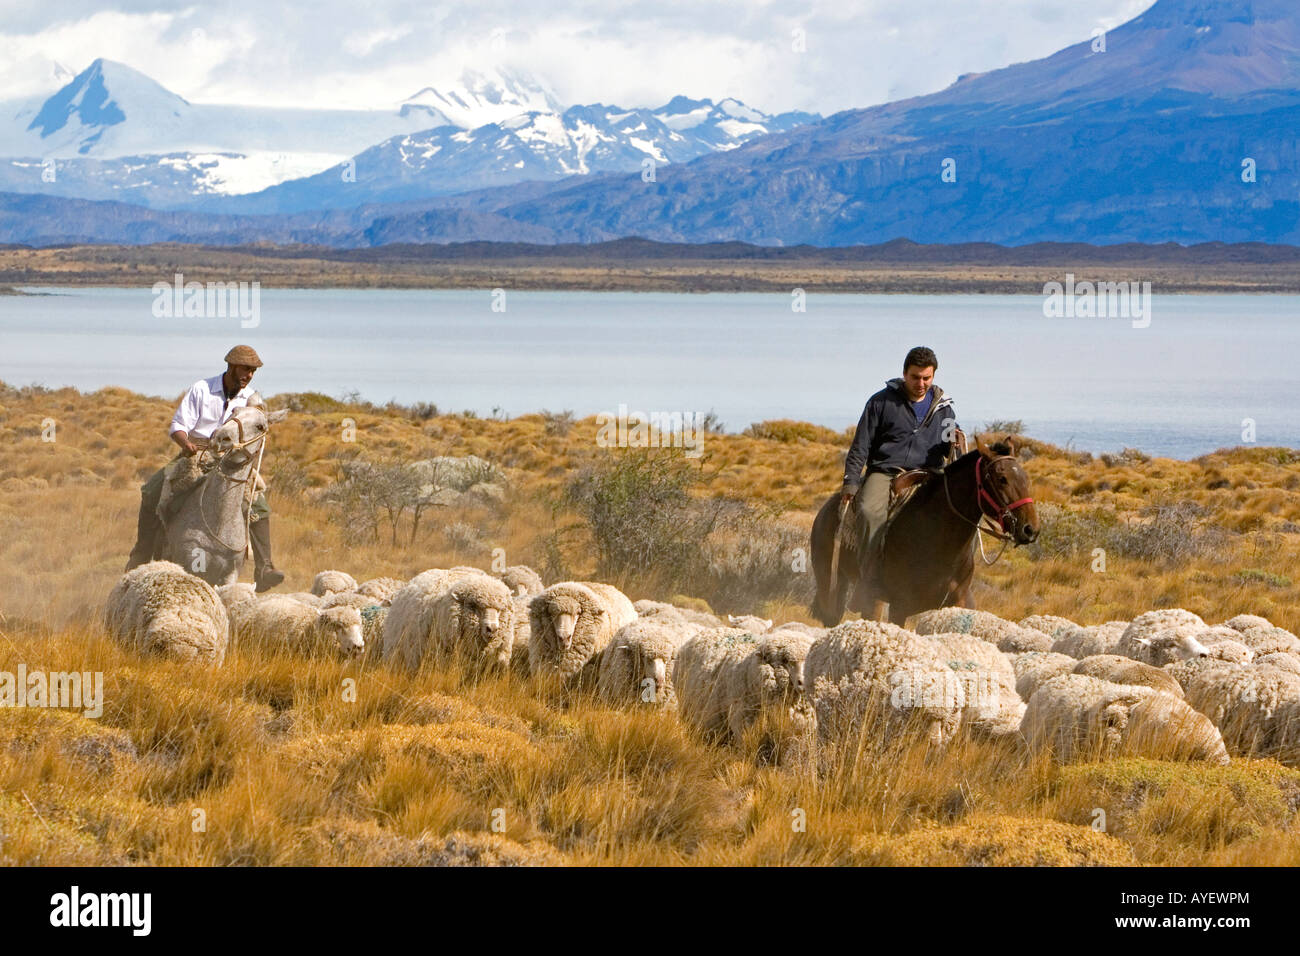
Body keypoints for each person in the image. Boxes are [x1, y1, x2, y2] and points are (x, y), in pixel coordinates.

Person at [125, 345, 285, 592]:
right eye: (245, 369)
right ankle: (142, 554)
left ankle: (264, 567)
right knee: (151, 491)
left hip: (232, 460)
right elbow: (178, 424)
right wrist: (185, 443)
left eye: (253, 371)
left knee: (259, 503)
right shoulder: (202, 389)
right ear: (231, 366)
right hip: (197, 454)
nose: (249, 375)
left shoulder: (251, 399)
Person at [840, 346, 963, 618]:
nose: (921, 384)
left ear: (934, 376)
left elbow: (949, 451)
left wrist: (955, 445)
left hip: (929, 475)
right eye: (915, 377)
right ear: (904, 374)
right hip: (885, 473)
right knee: (870, 512)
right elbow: (860, 445)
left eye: (926, 378)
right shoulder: (881, 402)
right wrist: (850, 483)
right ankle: (869, 581)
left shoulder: (945, 410)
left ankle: (954, 581)